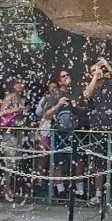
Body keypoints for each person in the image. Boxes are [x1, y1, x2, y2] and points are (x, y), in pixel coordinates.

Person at [83, 57, 112, 208]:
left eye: (98, 68)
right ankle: (97, 194)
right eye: (94, 70)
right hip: (97, 128)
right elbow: (86, 95)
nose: (98, 71)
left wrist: (109, 67)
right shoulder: (91, 85)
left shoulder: (110, 83)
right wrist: (95, 76)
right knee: (98, 164)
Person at [43, 68, 85, 199]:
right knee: (58, 161)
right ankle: (60, 189)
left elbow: (84, 111)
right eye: (63, 76)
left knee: (78, 161)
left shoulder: (75, 93)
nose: (66, 77)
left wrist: (75, 107)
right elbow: (47, 115)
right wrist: (58, 105)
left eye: (68, 75)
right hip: (59, 133)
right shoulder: (55, 95)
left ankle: (80, 190)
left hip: (75, 132)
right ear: (60, 80)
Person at [0, 77, 28, 202]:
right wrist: (15, 110)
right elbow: (1, 113)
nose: (22, 85)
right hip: (9, 132)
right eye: (20, 83)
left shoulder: (22, 98)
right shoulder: (9, 97)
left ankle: (12, 186)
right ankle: (6, 187)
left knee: (15, 160)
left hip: (18, 131)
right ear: (14, 86)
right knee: (9, 160)